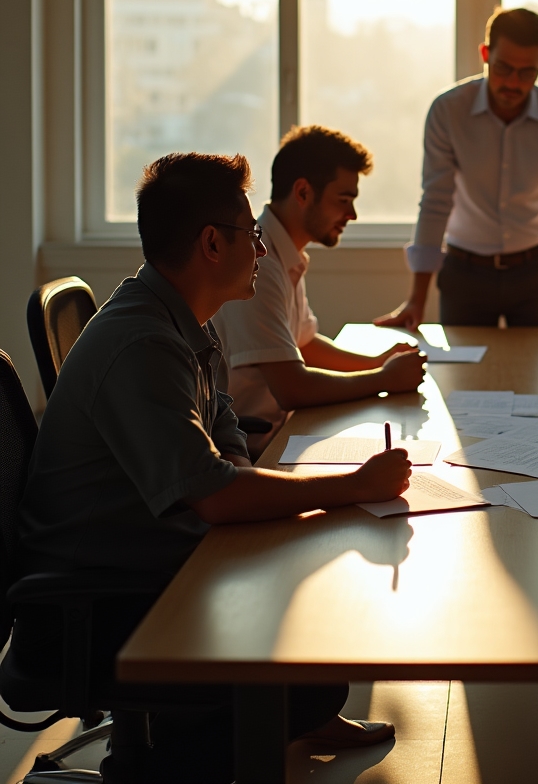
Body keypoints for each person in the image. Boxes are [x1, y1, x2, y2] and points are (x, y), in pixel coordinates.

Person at [7, 153, 413, 783]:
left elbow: (229, 455)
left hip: (155, 561)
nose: (260, 247)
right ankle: (163, 766)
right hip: (93, 604)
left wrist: (310, 493)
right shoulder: (144, 341)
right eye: (251, 234)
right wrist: (351, 487)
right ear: (212, 243)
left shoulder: (191, 321)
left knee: (311, 625)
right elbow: (216, 494)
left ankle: (190, 746)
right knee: (304, 673)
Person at [374, 7, 538, 331]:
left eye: (526, 72)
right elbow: (436, 200)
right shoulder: (448, 111)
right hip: (464, 273)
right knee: (463, 379)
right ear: (485, 54)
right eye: (503, 68)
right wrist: (416, 299)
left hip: (537, 274)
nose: (512, 83)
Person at [214, 126, 427, 456]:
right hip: (253, 451)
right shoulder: (261, 262)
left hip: (282, 432)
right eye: (344, 200)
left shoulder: (287, 254)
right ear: (303, 193)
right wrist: (383, 379)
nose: (352, 215)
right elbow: (293, 388)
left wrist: (378, 362)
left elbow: (304, 344)